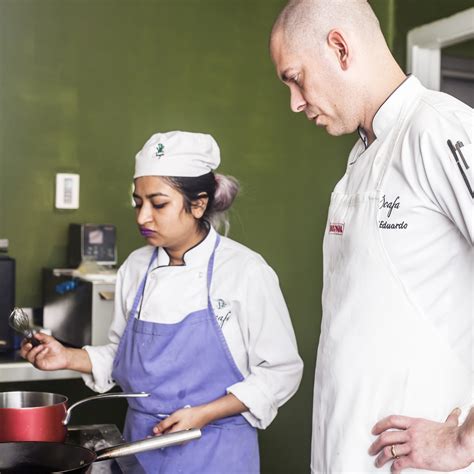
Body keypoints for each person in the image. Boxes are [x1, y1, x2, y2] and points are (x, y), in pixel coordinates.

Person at [21, 130, 304, 473]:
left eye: (158, 204)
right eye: (138, 203)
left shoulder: (245, 271)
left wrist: (205, 413)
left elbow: (281, 372)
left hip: (215, 451)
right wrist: (66, 356)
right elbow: (122, 356)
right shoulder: (136, 267)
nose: (142, 217)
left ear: (198, 204)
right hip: (140, 448)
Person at [270, 1, 473, 473]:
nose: (295, 102)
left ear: (340, 48)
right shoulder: (364, 156)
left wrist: (464, 441)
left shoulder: (437, 129)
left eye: (295, 78)